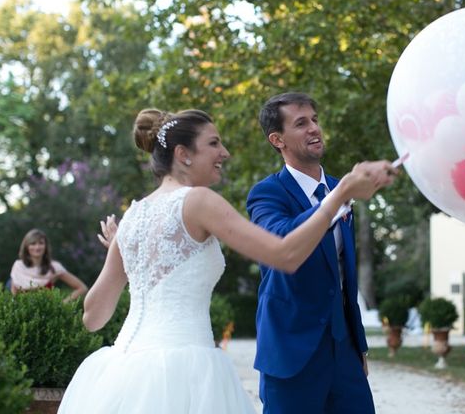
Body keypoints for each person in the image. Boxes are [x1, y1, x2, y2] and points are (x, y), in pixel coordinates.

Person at [58, 108, 397, 413]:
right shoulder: (199, 201)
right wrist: (340, 194)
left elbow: (93, 317)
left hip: (121, 374)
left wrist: (129, 257)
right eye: (214, 144)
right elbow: (286, 255)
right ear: (183, 154)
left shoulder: (132, 217)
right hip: (187, 373)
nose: (225, 153)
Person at [246, 92, 381, 414]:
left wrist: (357, 345)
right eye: (301, 123)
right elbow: (282, 240)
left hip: (343, 351)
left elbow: (344, 278)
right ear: (277, 140)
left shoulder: (338, 187)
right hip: (292, 352)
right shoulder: (267, 193)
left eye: (315, 120)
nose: (314, 129)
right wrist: (337, 199)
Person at [10, 228, 87, 302]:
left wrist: (63, 304)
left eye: (41, 243)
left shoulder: (54, 267)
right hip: (24, 314)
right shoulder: (18, 266)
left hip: (46, 314)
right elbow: (14, 297)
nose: (37, 247)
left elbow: (82, 288)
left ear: (46, 246)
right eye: (33, 243)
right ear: (26, 247)